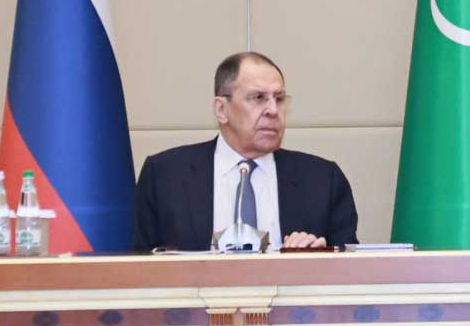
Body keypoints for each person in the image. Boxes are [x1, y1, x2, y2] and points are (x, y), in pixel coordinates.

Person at [133, 52, 358, 251]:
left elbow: (351, 269)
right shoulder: (164, 176)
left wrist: (318, 257)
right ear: (221, 110)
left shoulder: (323, 180)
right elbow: (137, 267)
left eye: (279, 99)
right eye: (258, 98)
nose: (273, 110)